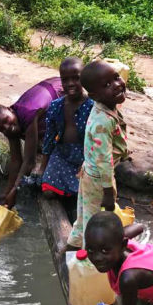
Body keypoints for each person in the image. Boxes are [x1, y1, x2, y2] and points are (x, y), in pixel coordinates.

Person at [67, 60, 129, 249]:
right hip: (99, 179)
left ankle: (72, 246)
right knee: (94, 222)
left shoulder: (106, 106)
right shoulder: (102, 121)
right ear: (94, 95)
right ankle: (90, 257)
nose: (117, 84)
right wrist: (109, 192)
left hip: (91, 172)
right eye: (107, 85)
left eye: (116, 77)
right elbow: (104, 161)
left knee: (84, 215)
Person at [0, 76, 64, 209]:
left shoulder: (28, 114)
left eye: (6, 120)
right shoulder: (11, 127)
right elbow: (16, 161)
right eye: (1, 128)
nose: (6, 127)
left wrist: (15, 190)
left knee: (60, 142)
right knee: (37, 139)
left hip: (62, 91)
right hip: (47, 101)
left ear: (10, 109)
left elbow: (29, 162)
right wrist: (7, 190)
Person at [39, 58, 94, 199]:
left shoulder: (93, 107)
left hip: (86, 158)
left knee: (84, 196)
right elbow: (49, 139)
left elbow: (97, 142)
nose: (70, 84)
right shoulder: (56, 106)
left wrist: (88, 164)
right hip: (62, 155)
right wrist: (42, 170)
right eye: (65, 80)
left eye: (76, 78)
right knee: (47, 191)